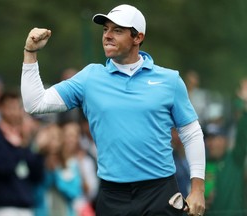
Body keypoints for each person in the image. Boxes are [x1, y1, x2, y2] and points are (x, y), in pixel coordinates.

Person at [20, 4, 206, 216]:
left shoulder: (169, 80)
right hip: (112, 195)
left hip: (159, 192)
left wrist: (197, 189)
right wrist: (30, 53)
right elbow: (34, 103)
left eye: (117, 30)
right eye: (105, 29)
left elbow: (191, 133)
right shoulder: (89, 78)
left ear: (137, 38)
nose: (107, 36)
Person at [0, 91, 44, 216]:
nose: (14, 112)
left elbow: (37, 176)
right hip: (1, 208)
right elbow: (3, 168)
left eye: (17, 107)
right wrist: (21, 146)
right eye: (10, 107)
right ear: (0, 108)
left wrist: (37, 149)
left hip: (26, 207)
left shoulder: (24, 138)